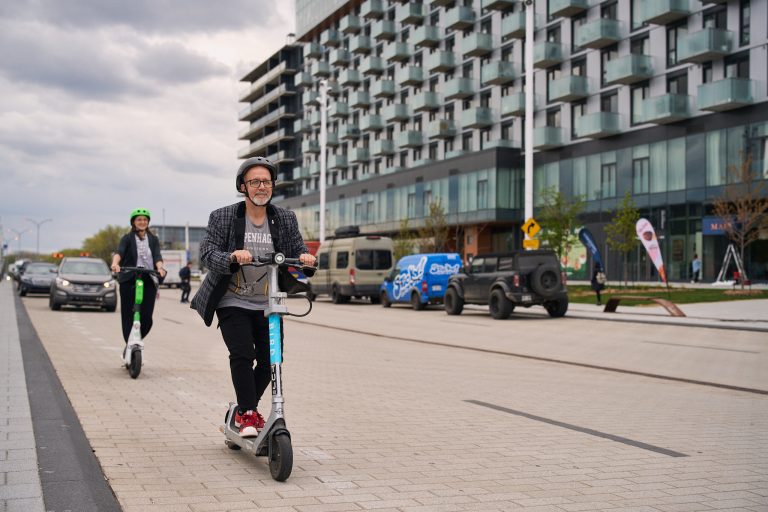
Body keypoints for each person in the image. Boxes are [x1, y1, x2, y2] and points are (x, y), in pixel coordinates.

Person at [191, 156, 316, 438]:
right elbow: (207, 254)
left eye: (266, 181)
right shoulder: (223, 216)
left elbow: (298, 249)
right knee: (243, 354)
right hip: (232, 298)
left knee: (273, 358)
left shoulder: (284, 217)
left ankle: (245, 409)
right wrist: (232, 256)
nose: (262, 187)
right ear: (243, 186)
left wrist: (306, 259)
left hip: (268, 301)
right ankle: (248, 412)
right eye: (255, 182)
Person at [110, 208, 167, 346]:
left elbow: (157, 256)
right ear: (133, 222)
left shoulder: (153, 239)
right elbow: (120, 252)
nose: (142, 222)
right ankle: (128, 343)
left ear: (148, 222)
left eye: (145, 220)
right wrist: (115, 263)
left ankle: (136, 340)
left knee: (147, 317)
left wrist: (159, 267)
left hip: (148, 278)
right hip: (129, 278)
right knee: (128, 315)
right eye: (139, 219)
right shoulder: (127, 238)